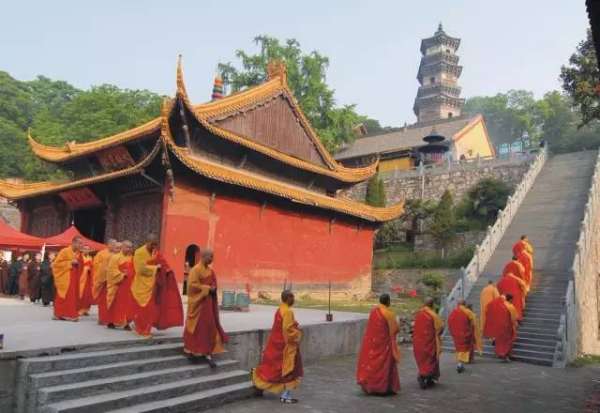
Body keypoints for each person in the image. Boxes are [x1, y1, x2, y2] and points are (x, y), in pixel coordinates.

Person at [252, 290, 303, 404]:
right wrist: (298, 334)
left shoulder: (279, 309)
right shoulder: (288, 311)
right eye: (292, 297)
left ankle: (261, 386)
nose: (294, 300)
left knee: (274, 369)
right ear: (288, 298)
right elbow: (287, 329)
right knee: (290, 370)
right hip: (286, 346)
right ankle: (285, 395)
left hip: (275, 344)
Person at [183, 249, 228, 367]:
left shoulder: (210, 271)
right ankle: (192, 352)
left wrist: (213, 287)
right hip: (198, 304)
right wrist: (207, 288)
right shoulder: (195, 270)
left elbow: (214, 283)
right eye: (210, 257)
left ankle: (207, 352)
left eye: (213, 257)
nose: (212, 259)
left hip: (208, 304)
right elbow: (191, 286)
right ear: (203, 256)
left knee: (209, 327)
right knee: (196, 328)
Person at [356, 293, 400, 395]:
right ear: (388, 302)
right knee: (384, 366)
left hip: (372, 344)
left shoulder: (373, 311)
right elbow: (395, 329)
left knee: (372, 365)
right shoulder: (389, 313)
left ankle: (370, 385)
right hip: (385, 346)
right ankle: (383, 388)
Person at [131, 234, 161, 338]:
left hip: (151, 285)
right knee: (143, 309)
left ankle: (146, 329)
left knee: (150, 309)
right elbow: (140, 269)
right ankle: (141, 329)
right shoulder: (139, 252)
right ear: (147, 242)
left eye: (155, 245)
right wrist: (155, 268)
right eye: (152, 244)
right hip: (141, 284)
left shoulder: (154, 252)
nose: (154, 247)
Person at [412, 297, 444, 389]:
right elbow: (440, 328)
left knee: (422, 360)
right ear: (432, 305)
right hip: (430, 343)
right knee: (431, 360)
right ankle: (423, 376)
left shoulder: (418, 313)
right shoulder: (433, 315)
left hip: (418, 342)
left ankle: (428, 378)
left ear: (424, 304)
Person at [52, 236, 83, 321]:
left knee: (71, 296)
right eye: (79, 243)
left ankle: (65, 314)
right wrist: (70, 262)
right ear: (73, 242)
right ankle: (61, 314)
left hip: (74, 277)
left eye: (82, 243)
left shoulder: (78, 253)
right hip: (65, 277)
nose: (81, 245)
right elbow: (56, 264)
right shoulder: (64, 251)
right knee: (64, 296)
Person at [448, 300, 481, 373]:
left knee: (459, 348)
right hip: (466, 333)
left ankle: (460, 363)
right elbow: (474, 323)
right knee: (464, 348)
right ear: (464, 304)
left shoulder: (453, 312)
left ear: (458, 304)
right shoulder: (468, 312)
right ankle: (460, 364)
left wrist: (453, 331)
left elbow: (449, 322)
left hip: (456, 334)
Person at [106, 241, 134, 329]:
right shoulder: (115, 257)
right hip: (119, 284)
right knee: (117, 304)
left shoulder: (132, 258)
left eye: (130, 247)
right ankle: (115, 321)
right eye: (127, 247)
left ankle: (124, 321)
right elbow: (111, 270)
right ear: (122, 247)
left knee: (128, 304)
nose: (129, 249)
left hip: (129, 284)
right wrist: (122, 274)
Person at [484, 294, 518, 362]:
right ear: (510, 299)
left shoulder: (500, 305)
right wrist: (515, 324)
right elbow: (514, 318)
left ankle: (501, 354)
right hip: (507, 327)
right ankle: (506, 356)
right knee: (507, 342)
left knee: (500, 342)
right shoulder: (510, 306)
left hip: (499, 327)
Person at [93, 239, 119, 325]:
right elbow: (96, 265)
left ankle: (111, 318)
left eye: (115, 245)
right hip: (104, 281)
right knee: (103, 301)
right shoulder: (101, 254)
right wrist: (105, 270)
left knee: (113, 301)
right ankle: (102, 318)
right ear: (108, 245)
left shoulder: (117, 254)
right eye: (113, 244)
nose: (115, 246)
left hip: (114, 281)